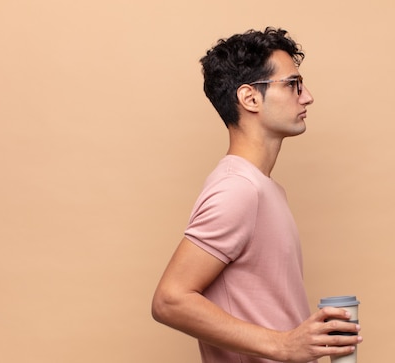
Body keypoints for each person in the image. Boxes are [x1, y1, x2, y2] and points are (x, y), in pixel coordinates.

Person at [151, 27, 362, 363]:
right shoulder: (238, 189)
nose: (307, 96)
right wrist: (283, 344)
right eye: (293, 84)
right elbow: (169, 300)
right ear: (250, 98)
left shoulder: (263, 187)